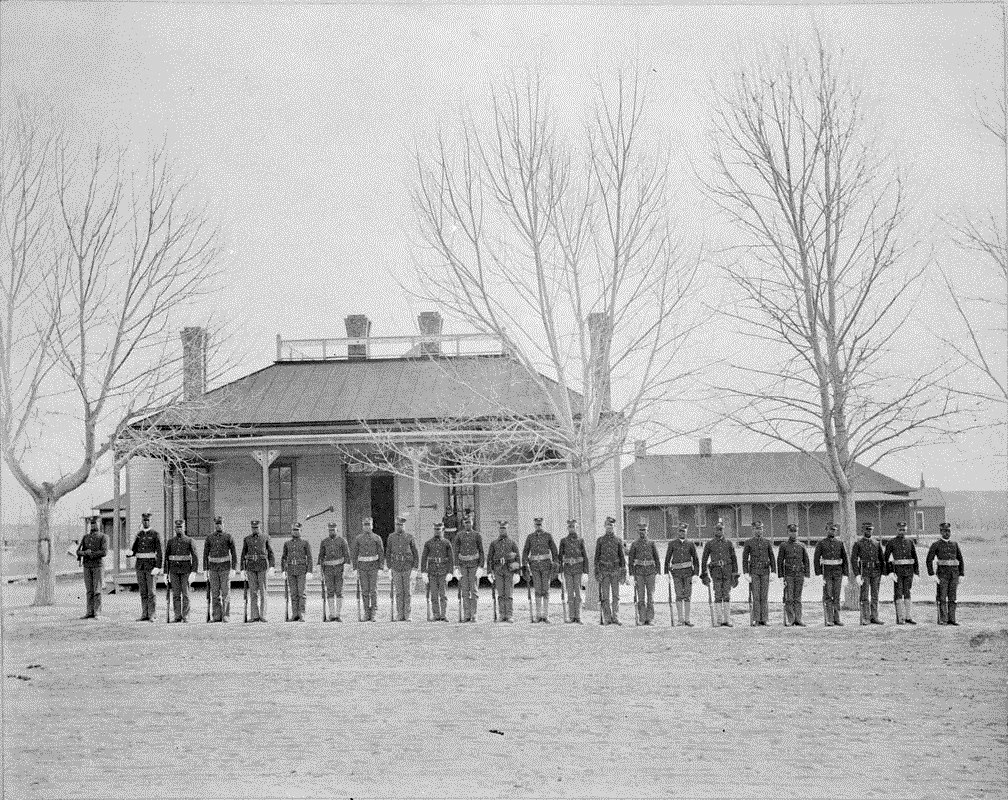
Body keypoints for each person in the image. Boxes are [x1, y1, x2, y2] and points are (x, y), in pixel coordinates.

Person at [926, 521, 966, 625]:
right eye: (944, 531)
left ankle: (952, 619)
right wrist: (932, 575)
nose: (947, 533)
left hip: (954, 574)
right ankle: (943, 619)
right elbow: (929, 560)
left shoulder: (954, 544)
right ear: (941, 532)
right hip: (942, 574)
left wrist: (961, 574)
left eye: (948, 531)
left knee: (953, 597)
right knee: (942, 597)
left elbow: (960, 560)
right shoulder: (936, 545)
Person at [701, 519, 738, 627]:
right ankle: (719, 620)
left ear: (723, 530)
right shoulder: (710, 544)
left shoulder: (729, 543)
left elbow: (734, 559)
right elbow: (704, 560)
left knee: (726, 594)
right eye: (717, 530)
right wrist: (704, 574)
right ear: (714, 531)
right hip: (716, 573)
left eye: (721, 529)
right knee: (717, 595)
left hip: (727, 572)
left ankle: (727, 620)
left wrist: (735, 575)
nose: (719, 531)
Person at [522, 517, 559, 623]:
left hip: (546, 566)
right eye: (536, 525)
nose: (538, 527)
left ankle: (546, 616)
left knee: (546, 590)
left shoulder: (548, 536)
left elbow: (554, 550)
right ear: (534, 525)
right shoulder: (530, 537)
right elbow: (525, 551)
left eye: (540, 525)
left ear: (542, 525)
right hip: (535, 567)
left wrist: (556, 563)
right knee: (538, 590)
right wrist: (525, 564)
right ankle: (538, 616)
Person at [663, 522, 699, 626]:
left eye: (683, 531)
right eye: (680, 531)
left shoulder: (691, 544)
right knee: (679, 595)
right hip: (676, 574)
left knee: (687, 596)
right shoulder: (672, 544)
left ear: (686, 532)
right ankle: (680, 619)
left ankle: (687, 619)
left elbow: (696, 560)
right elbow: (667, 559)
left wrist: (696, 574)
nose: (681, 533)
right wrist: (666, 573)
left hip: (688, 573)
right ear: (677, 532)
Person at [128, 510, 162, 622]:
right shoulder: (139, 535)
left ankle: (152, 614)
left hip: (151, 566)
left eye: (148, 520)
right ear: (142, 521)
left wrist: (158, 567)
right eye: (144, 520)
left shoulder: (155, 534)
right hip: (140, 566)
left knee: (151, 592)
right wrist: (130, 553)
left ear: (150, 521)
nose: (146, 522)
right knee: (143, 591)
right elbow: (134, 550)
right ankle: (144, 613)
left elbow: (160, 552)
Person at [202, 516, 237, 622]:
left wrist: (233, 568)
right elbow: (205, 554)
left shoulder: (228, 537)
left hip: (225, 568)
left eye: (220, 524)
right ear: (215, 525)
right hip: (213, 569)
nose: (219, 526)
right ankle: (216, 616)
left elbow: (234, 553)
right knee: (215, 593)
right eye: (217, 524)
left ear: (223, 524)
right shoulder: (209, 538)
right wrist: (205, 569)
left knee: (225, 592)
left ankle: (226, 615)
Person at [884, 521, 919, 625]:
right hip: (897, 573)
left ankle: (908, 617)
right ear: (897, 530)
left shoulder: (910, 542)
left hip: (908, 571)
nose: (902, 531)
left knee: (907, 593)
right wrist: (890, 572)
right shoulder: (891, 542)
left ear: (906, 530)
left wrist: (916, 573)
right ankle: (900, 618)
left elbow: (915, 558)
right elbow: (886, 559)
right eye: (900, 529)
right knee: (898, 594)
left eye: (904, 530)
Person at [813, 524, 849, 626]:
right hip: (827, 572)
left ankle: (837, 618)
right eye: (830, 530)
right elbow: (816, 559)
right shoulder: (821, 543)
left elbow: (845, 559)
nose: (832, 532)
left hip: (838, 572)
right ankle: (829, 619)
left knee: (837, 596)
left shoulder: (840, 543)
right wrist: (819, 574)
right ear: (826, 530)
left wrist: (845, 574)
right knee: (828, 596)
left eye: (834, 530)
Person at [164, 519, 199, 623]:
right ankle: (177, 616)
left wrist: (193, 572)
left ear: (184, 528)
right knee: (175, 595)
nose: (179, 529)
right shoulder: (171, 542)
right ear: (175, 528)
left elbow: (195, 557)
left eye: (181, 527)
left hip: (185, 571)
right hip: (174, 571)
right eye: (177, 527)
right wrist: (166, 573)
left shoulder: (189, 541)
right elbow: (166, 558)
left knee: (186, 594)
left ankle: (186, 616)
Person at [350, 517, 385, 622]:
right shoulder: (358, 538)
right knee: (365, 591)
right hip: (362, 567)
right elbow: (354, 554)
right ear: (363, 526)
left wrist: (381, 567)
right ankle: (366, 612)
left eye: (369, 525)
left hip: (373, 567)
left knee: (373, 591)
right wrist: (355, 568)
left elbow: (381, 553)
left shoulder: (377, 538)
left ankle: (373, 612)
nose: (367, 527)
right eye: (365, 525)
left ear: (372, 525)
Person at [851, 522, 886, 625]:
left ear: (872, 530)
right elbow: (853, 559)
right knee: (864, 596)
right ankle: (865, 618)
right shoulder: (858, 543)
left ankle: (874, 617)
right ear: (863, 530)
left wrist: (883, 573)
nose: (868, 531)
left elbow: (882, 559)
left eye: (870, 529)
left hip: (876, 572)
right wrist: (857, 574)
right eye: (866, 529)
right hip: (864, 572)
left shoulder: (876, 543)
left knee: (875, 595)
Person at [240, 520, 275, 622]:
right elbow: (243, 554)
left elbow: (271, 553)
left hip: (262, 566)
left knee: (263, 591)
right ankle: (254, 615)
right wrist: (242, 569)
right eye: (253, 528)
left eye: (256, 527)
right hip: (251, 567)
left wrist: (272, 566)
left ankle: (263, 615)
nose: (255, 529)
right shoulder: (247, 539)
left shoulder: (266, 537)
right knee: (253, 592)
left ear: (260, 527)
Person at [741, 521, 775, 626]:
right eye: (756, 529)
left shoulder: (767, 542)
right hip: (754, 572)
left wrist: (773, 571)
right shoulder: (748, 542)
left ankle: (764, 619)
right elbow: (745, 559)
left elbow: (772, 557)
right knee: (756, 596)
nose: (759, 531)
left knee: (764, 596)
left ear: (763, 529)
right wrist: (746, 573)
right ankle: (756, 619)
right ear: (753, 530)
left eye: (760, 529)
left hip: (765, 571)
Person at [385, 516, 419, 622]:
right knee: (399, 592)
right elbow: (388, 552)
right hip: (396, 567)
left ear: (404, 525)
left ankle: (407, 614)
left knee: (407, 592)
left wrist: (415, 568)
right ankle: (400, 614)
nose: (400, 526)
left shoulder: (410, 537)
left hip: (407, 567)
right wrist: (389, 568)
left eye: (401, 525)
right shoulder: (391, 537)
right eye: (398, 525)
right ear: (395, 525)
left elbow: (415, 553)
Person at [595, 516, 627, 625]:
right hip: (604, 571)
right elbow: (597, 558)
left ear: (614, 527)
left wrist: (623, 573)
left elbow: (622, 557)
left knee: (616, 596)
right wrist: (597, 572)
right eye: (608, 525)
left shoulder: (618, 540)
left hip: (615, 571)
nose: (609, 527)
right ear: (605, 526)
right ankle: (607, 618)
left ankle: (616, 617)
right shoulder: (600, 540)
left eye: (611, 526)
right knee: (605, 596)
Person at [627, 519, 661, 626]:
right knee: (640, 597)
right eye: (641, 530)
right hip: (639, 572)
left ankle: (650, 618)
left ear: (647, 531)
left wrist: (658, 573)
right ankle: (642, 618)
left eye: (644, 530)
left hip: (651, 572)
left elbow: (657, 559)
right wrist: (632, 575)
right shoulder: (634, 544)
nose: (643, 532)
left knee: (650, 597)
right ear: (638, 531)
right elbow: (631, 561)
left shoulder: (652, 543)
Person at [486, 521, 520, 622]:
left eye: (504, 528)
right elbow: (489, 558)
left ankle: (509, 615)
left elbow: (518, 558)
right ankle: (501, 615)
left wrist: (517, 573)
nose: (502, 530)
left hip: (509, 570)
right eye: (501, 528)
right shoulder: (494, 543)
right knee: (500, 593)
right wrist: (489, 572)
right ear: (498, 530)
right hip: (498, 570)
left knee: (508, 594)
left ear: (507, 529)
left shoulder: (512, 543)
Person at [777, 524, 810, 626]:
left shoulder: (802, 545)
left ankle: (798, 619)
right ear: (788, 532)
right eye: (791, 532)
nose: (793, 533)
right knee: (789, 598)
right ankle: (791, 619)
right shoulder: (784, 546)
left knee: (798, 598)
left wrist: (807, 576)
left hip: (799, 574)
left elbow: (806, 561)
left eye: (795, 531)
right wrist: (781, 577)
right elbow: (780, 561)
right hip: (789, 574)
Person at [455, 513, 485, 622]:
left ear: (472, 522)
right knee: (464, 591)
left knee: (474, 590)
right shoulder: (459, 535)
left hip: (474, 565)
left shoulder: (477, 535)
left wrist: (481, 567)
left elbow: (481, 552)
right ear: (463, 523)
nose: (468, 524)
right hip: (463, 565)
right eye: (466, 522)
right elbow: (456, 551)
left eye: (469, 522)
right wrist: (456, 567)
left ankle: (474, 614)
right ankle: (467, 614)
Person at [421, 521, 454, 621]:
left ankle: (443, 615)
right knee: (434, 595)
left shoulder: (447, 543)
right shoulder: (428, 543)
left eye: (439, 530)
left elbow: (451, 559)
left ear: (442, 530)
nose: (437, 532)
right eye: (435, 529)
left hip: (443, 572)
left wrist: (450, 572)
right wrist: (424, 572)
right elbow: (424, 558)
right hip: (432, 572)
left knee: (443, 595)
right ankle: (436, 614)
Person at [557, 519, 589, 623]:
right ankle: (571, 616)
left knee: (578, 593)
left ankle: (578, 616)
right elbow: (560, 557)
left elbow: (585, 556)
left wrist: (585, 572)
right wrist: (559, 572)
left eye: (573, 526)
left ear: (576, 527)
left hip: (578, 569)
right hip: (568, 570)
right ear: (567, 528)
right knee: (570, 593)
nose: (572, 528)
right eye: (570, 527)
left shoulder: (580, 540)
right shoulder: (563, 541)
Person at [318, 522, 350, 622]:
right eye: (330, 530)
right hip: (328, 570)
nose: (332, 531)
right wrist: (320, 571)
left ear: (337, 530)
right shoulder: (324, 542)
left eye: (333, 529)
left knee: (339, 592)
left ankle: (338, 614)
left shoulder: (342, 541)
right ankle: (332, 614)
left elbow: (347, 556)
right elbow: (321, 557)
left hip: (339, 569)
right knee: (330, 591)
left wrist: (345, 570)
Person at [76, 519, 108, 619]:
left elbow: (104, 552)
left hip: (98, 565)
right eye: (92, 523)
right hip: (87, 566)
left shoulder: (103, 537)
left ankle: (97, 612)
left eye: (96, 523)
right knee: (89, 590)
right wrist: (85, 553)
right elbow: (78, 551)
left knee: (97, 590)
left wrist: (91, 554)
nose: (94, 525)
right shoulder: (85, 537)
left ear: (99, 524)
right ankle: (89, 612)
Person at [281, 523, 312, 622]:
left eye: (297, 530)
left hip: (301, 570)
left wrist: (309, 571)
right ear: (291, 531)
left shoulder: (305, 543)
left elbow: (310, 558)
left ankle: (302, 614)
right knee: (293, 594)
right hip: (290, 570)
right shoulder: (287, 543)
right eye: (294, 530)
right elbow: (283, 558)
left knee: (301, 593)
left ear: (301, 531)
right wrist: (283, 570)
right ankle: (295, 614)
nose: (295, 532)